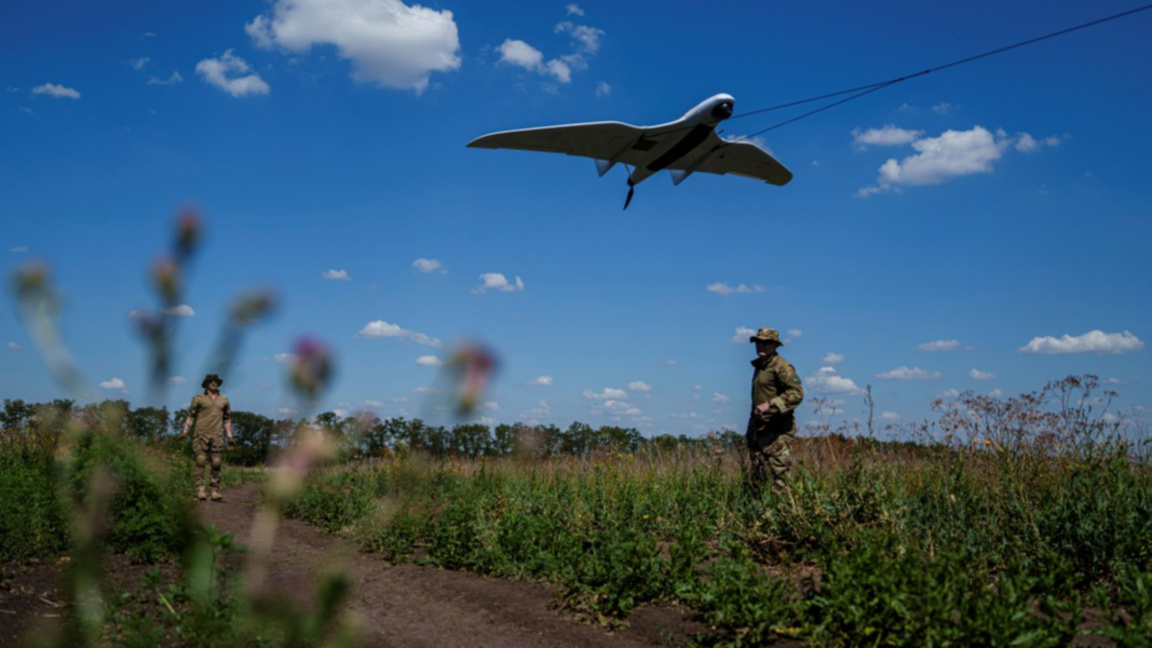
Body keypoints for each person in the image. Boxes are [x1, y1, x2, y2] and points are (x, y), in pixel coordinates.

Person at [746, 328, 804, 497]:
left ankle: (784, 514)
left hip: (777, 431)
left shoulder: (782, 366)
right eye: (758, 342)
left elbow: (797, 394)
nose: (761, 346)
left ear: (775, 345)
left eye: (766, 342)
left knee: (780, 476)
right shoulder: (761, 366)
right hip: (759, 429)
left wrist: (771, 404)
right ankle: (759, 512)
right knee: (758, 475)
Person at [179, 373, 234, 501]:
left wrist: (230, 437)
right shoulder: (198, 398)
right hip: (201, 433)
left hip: (217, 435)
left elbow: (227, 419)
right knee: (200, 461)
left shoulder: (224, 400)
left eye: (215, 381)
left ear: (218, 383)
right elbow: (191, 416)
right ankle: (200, 490)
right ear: (206, 383)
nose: (213, 382)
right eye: (210, 381)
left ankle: (214, 490)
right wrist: (185, 432)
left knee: (216, 462)